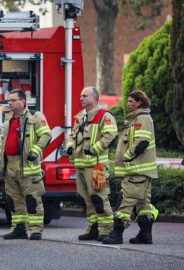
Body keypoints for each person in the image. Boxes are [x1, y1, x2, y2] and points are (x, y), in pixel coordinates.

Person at [102, 90, 158, 244]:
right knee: (143, 204)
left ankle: (116, 234)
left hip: (137, 169)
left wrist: (128, 156)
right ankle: (145, 235)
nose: (128, 103)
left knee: (125, 200)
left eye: (131, 101)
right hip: (139, 170)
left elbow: (142, 141)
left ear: (140, 102)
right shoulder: (135, 119)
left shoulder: (142, 118)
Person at [66, 86, 118, 242]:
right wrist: (69, 147)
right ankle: (93, 227)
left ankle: (106, 230)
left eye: (85, 96)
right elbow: (72, 135)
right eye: (81, 96)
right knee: (86, 199)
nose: (81, 98)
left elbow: (110, 134)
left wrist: (95, 149)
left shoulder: (104, 115)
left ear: (94, 98)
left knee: (99, 198)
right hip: (81, 165)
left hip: (96, 165)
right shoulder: (80, 117)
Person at [0, 89, 51, 240]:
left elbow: (46, 134)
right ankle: (19, 228)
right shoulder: (8, 119)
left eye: (13, 100)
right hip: (10, 164)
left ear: (23, 101)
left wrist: (35, 150)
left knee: (32, 199)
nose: (10, 103)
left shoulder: (35, 116)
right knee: (14, 200)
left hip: (28, 165)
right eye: (9, 100)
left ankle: (35, 230)